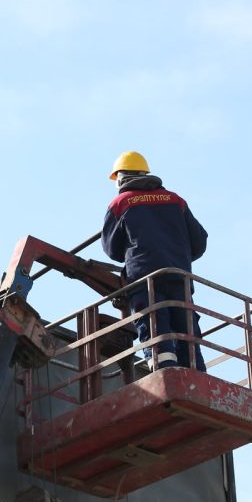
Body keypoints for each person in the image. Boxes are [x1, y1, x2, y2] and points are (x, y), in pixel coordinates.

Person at [101, 151, 208, 371]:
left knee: (154, 323)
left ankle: (164, 369)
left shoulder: (120, 204)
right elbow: (199, 241)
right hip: (180, 276)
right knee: (185, 326)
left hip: (144, 278)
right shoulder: (176, 200)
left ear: (121, 178)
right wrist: (179, 256)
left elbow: (112, 249)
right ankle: (196, 373)